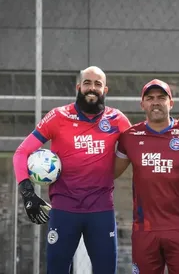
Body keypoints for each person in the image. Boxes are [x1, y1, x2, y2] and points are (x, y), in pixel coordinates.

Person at [13, 66, 132, 274]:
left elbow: (140, 148)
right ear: (78, 87)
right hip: (64, 211)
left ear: (105, 90)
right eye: (87, 83)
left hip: (101, 211)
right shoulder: (58, 117)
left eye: (97, 84)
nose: (92, 88)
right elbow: (21, 153)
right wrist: (28, 193)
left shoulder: (117, 119)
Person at [114, 79, 179, 274]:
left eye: (161, 97)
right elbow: (110, 173)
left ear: (171, 103)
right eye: (150, 98)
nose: (156, 102)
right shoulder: (129, 137)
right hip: (145, 231)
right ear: (142, 104)